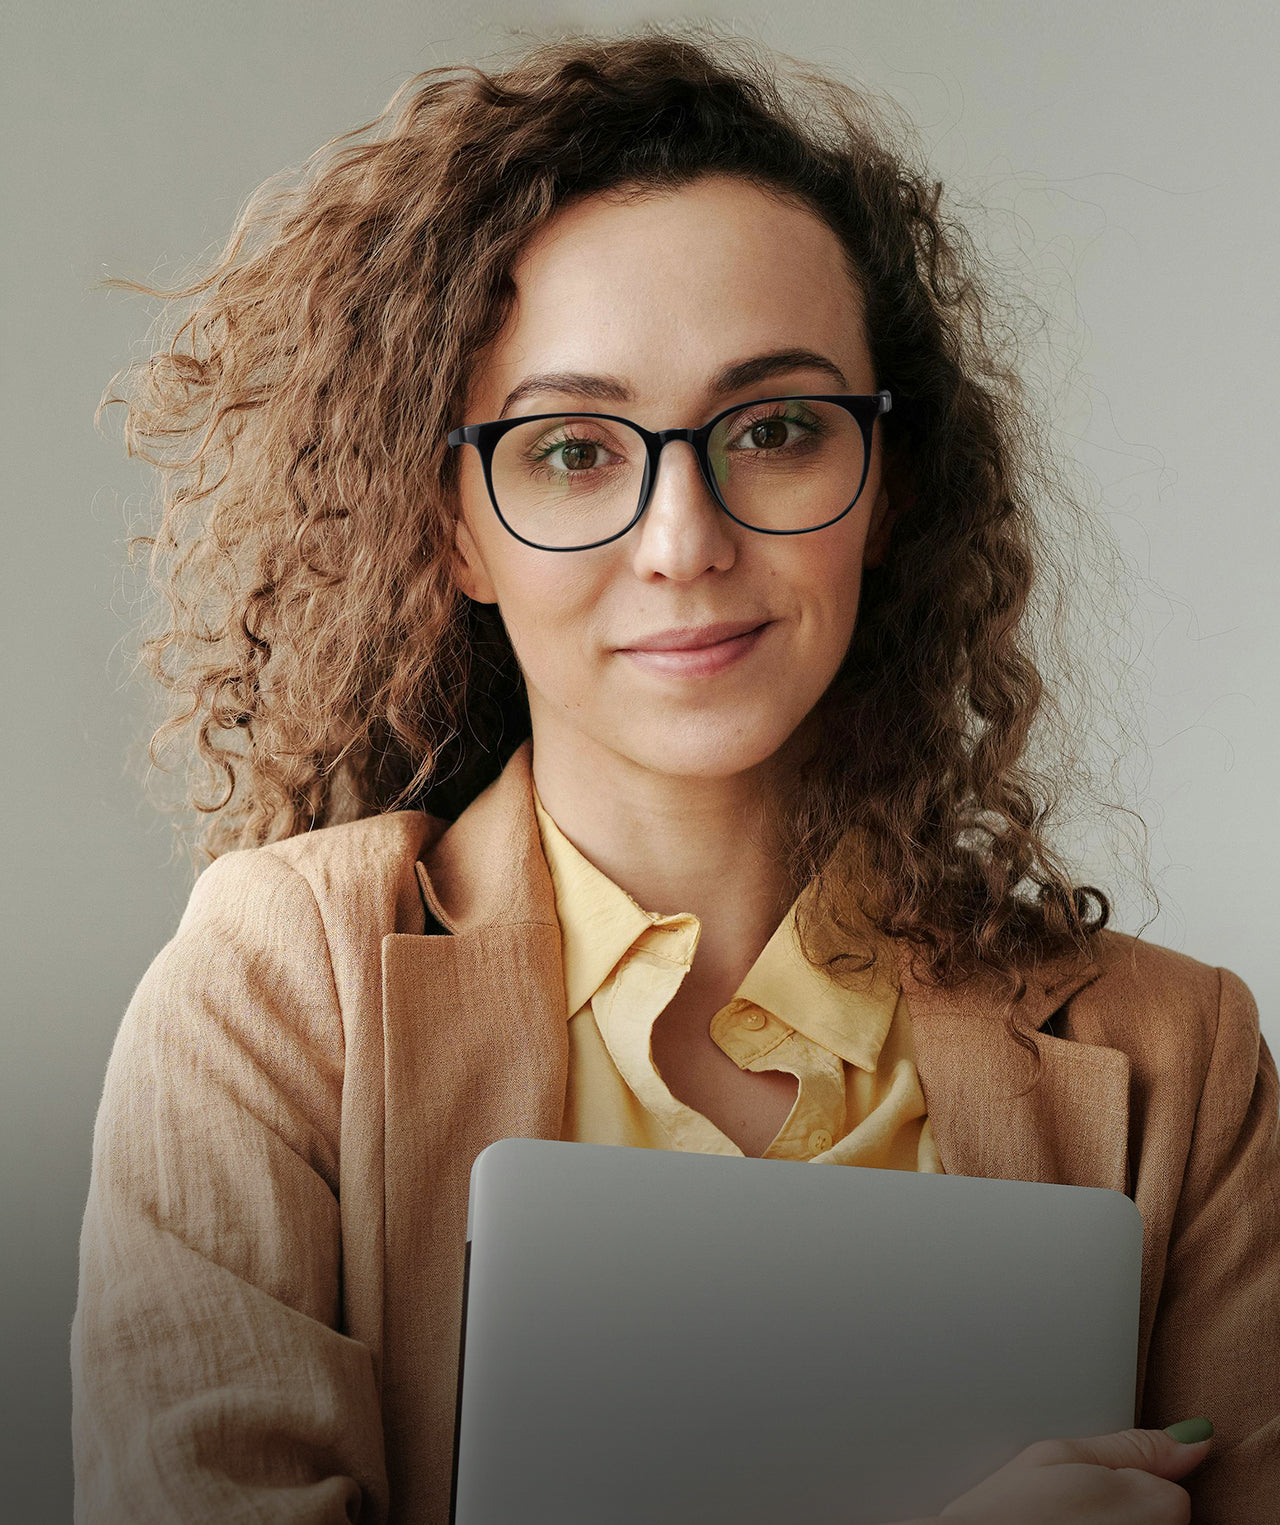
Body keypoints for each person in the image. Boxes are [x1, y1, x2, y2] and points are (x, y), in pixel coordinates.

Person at [71, 24, 1279, 1525]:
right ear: (454, 525)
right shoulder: (274, 993)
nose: (682, 541)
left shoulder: (1183, 1061)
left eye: (773, 429)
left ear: (886, 486)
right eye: (574, 449)